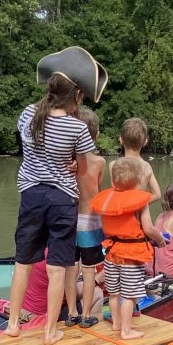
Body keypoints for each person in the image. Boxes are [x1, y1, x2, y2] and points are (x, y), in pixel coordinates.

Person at [6, 46, 107, 345]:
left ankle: (13, 324)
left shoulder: (28, 114)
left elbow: (31, 149)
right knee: (57, 267)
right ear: (78, 95)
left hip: (31, 195)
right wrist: (72, 163)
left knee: (23, 262)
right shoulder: (78, 128)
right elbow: (82, 168)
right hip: (62, 201)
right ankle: (50, 332)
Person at [92, 156, 165, 340]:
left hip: (111, 254)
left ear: (114, 181)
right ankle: (126, 331)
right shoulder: (140, 202)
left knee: (114, 294)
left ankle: (117, 323)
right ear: (138, 181)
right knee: (130, 296)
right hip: (131, 257)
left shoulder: (109, 200)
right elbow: (148, 228)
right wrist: (160, 240)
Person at [71, 107, 107, 327]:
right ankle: (85, 315)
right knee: (89, 269)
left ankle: (71, 312)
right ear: (96, 135)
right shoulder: (99, 162)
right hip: (90, 221)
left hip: (70, 219)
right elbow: (99, 194)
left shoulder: (68, 161)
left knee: (71, 267)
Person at [112, 118, 162, 207]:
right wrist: (137, 205)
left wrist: (125, 207)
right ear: (145, 142)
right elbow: (157, 195)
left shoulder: (113, 165)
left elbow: (114, 192)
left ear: (121, 140)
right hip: (138, 213)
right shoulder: (146, 166)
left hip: (119, 211)